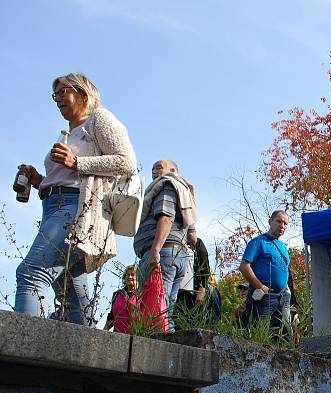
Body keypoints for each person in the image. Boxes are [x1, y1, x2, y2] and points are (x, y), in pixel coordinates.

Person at [14, 73, 137, 325]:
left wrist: (77, 161)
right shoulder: (69, 132)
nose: (58, 99)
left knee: (31, 273)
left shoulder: (99, 119)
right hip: (53, 208)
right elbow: (67, 175)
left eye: (63, 92)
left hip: (74, 209)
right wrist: (39, 180)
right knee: (72, 295)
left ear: (83, 94)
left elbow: (127, 163)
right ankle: (89, 353)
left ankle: (20, 351)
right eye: (55, 94)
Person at [134, 159, 198, 331]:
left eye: (159, 167)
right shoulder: (185, 195)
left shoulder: (167, 185)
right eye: (153, 168)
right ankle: (167, 344)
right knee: (166, 306)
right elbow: (193, 237)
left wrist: (155, 249)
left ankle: (155, 349)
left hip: (162, 251)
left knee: (153, 306)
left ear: (173, 171)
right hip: (178, 255)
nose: (155, 171)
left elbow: (166, 217)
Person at [239, 210, 292, 333]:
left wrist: (287, 288)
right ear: (270, 221)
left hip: (283, 296)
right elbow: (244, 266)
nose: (282, 226)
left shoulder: (283, 247)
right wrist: (260, 286)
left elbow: (283, 269)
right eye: (279, 221)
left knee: (281, 334)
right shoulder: (258, 242)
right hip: (265, 296)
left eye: (285, 223)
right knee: (258, 332)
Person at [103, 265, 138, 333]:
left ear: (138, 278)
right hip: (118, 335)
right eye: (127, 274)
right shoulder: (117, 294)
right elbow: (112, 316)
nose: (129, 277)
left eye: (133, 275)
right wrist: (104, 331)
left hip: (135, 335)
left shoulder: (141, 295)